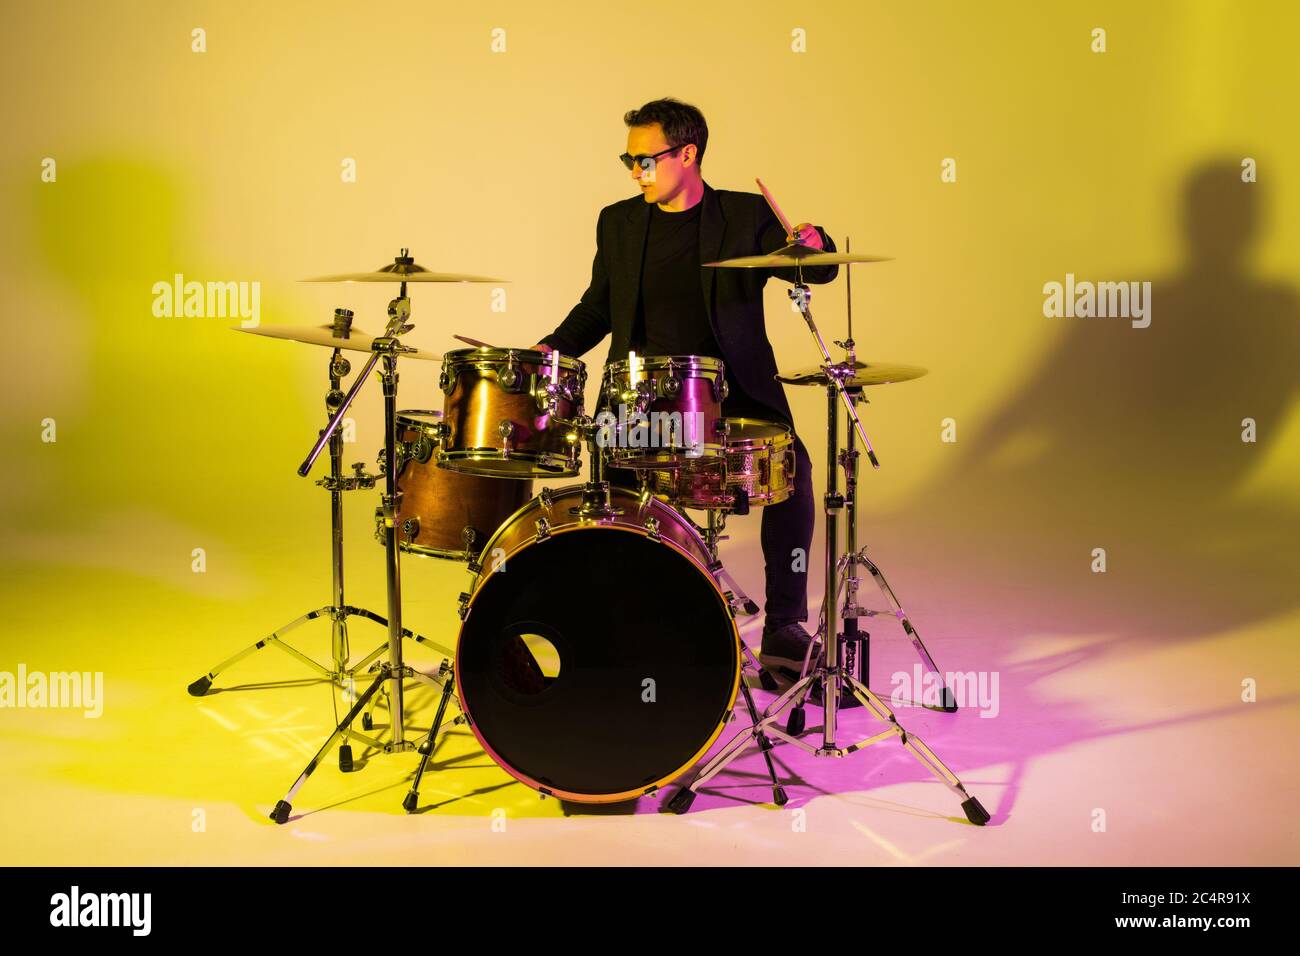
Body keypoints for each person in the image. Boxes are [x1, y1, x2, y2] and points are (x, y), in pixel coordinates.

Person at [532, 97, 839, 683]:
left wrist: (813, 238)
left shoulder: (745, 215)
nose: (634, 172)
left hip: (736, 393)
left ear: (687, 154)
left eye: (644, 159)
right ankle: (631, 623)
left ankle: (785, 626)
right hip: (643, 400)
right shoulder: (617, 221)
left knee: (792, 474)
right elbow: (598, 305)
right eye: (630, 159)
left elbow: (814, 269)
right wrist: (552, 349)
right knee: (613, 498)